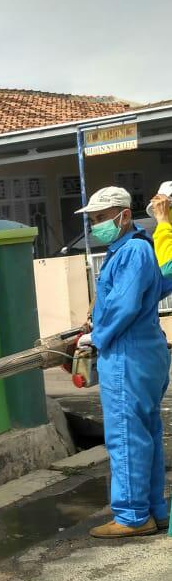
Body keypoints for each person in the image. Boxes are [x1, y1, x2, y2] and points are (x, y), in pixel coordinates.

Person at [76, 186, 172, 538]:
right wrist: (95, 318)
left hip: (127, 353)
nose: (96, 226)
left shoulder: (131, 251)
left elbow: (125, 305)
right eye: (93, 220)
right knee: (146, 433)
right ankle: (155, 510)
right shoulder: (138, 249)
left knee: (126, 436)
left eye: (101, 218)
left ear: (124, 215)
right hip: (146, 350)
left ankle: (132, 516)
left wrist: (96, 336)